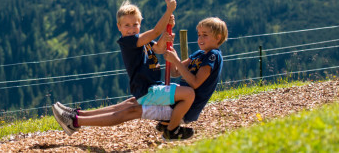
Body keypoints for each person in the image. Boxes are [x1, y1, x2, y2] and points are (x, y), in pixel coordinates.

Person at [54, 16, 227, 141]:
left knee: (132, 111)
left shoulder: (212, 56)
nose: (200, 38)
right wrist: (172, 52)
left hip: (184, 108)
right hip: (178, 99)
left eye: (205, 35)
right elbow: (176, 72)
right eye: (199, 34)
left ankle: (76, 122)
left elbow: (195, 82)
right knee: (131, 103)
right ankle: (77, 114)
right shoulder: (199, 54)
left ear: (218, 38)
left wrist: (176, 61)